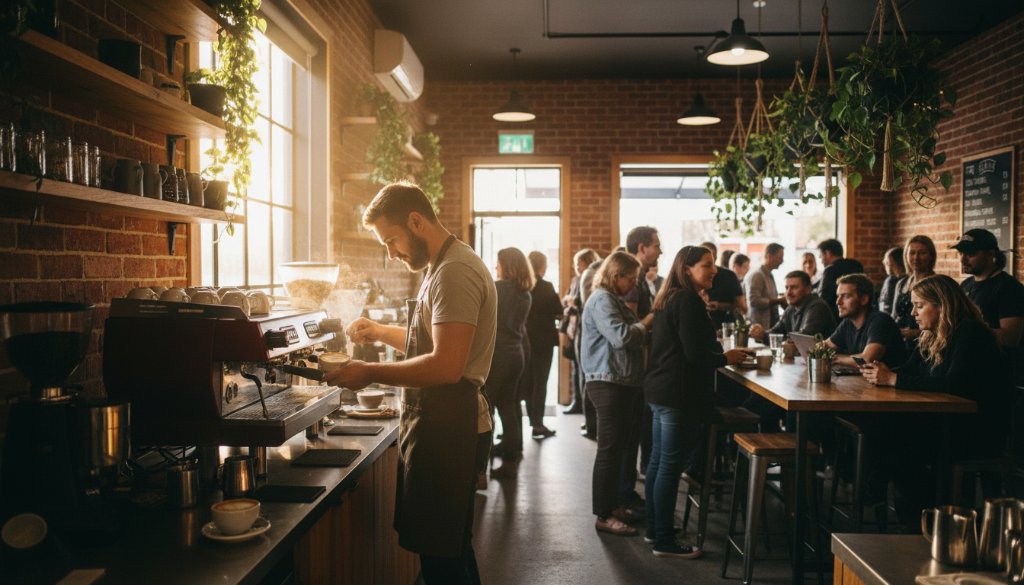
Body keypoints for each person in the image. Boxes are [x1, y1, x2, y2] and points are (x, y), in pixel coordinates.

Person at [328, 182, 495, 585]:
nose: (391, 253)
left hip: (450, 428)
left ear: (416, 222)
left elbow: (446, 365)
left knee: (443, 563)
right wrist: (380, 331)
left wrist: (369, 372)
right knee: (450, 553)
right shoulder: (441, 266)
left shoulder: (454, 271)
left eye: (391, 241)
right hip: (441, 424)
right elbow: (435, 341)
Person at [861, 274, 1013, 519]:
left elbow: (954, 384)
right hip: (944, 421)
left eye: (919, 306)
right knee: (879, 425)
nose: (913, 313)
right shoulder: (931, 335)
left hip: (976, 430)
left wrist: (893, 379)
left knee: (893, 437)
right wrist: (878, 373)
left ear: (942, 305)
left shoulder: (970, 332)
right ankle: (914, 508)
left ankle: (921, 511)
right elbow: (908, 371)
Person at [644, 246, 748, 558]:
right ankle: (664, 541)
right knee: (669, 466)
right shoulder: (687, 300)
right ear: (687, 269)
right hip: (678, 392)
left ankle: (655, 530)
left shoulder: (670, 297)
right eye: (706, 264)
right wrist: (726, 357)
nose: (714, 270)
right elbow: (696, 354)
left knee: (659, 463)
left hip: (661, 388)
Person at [581, 251, 653, 536]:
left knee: (621, 448)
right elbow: (621, 337)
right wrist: (647, 322)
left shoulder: (613, 300)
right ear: (615, 276)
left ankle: (613, 505)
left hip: (620, 381)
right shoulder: (602, 300)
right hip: (607, 382)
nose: (634, 285)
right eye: (631, 279)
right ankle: (603, 514)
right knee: (609, 450)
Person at [622, 226, 662, 506]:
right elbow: (632, 328)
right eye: (656, 246)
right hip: (634, 368)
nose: (660, 251)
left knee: (633, 433)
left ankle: (627, 490)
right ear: (641, 248)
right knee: (628, 436)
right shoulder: (633, 281)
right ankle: (624, 494)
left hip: (639, 368)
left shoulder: (639, 278)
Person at [487, 247, 533, 478]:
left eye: (498, 263)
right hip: (517, 354)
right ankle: (510, 460)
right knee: (508, 407)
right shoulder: (525, 294)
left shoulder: (498, 289)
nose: (495, 267)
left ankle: (481, 465)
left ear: (506, 265)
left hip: (498, 355)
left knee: (487, 409)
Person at [952, 229, 1024, 350]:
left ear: (990, 254)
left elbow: (1011, 337)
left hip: (996, 360)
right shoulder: (965, 285)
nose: (962, 260)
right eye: (961, 253)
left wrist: (964, 333)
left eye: (970, 254)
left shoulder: (1009, 287)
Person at [823, 273, 906, 368]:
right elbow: (825, 346)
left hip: (895, 377)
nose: (838, 302)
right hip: (862, 377)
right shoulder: (848, 322)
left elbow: (867, 359)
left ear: (864, 299)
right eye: (838, 296)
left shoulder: (881, 321)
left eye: (846, 296)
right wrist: (814, 347)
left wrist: (835, 358)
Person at [525, 251, 563, 440]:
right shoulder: (546, 287)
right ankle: (537, 424)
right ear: (541, 266)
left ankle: (519, 426)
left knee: (525, 383)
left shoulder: (521, 285)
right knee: (540, 383)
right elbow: (559, 312)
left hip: (524, 341)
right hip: (543, 341)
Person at [562, 248, 600, 415]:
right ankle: (578, 403)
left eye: (580, 263)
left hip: (586, 329)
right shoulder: (575, 280)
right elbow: (565, 299)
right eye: (576, 263)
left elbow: (580, 302)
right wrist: (569, 300)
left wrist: (571, 301)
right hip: (574, 329)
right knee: (576, 369)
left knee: (584, 370)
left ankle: (587, 411)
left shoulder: (592, 280)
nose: (576, 267)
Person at [749, 270, 836, 341]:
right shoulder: (791, 308)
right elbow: (776, 331)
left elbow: (801, 340)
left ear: (808, 289)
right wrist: (761, 333)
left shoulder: (817, 307)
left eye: (794, 287)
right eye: (787, 288)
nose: (788, 293)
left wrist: (765, 337)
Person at [891, 235, 936, 344]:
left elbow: (942, 323)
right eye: (912, 253)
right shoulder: (901, 283)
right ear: (906, 255)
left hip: (926, 343)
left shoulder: (936, 284)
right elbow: (894, 315)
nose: (916, 257)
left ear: (931, 256)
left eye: (922, 253)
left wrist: (917, 333)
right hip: (900, 342)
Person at [701, 241, 746, 329]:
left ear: (715, 257)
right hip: (701, 327)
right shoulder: (691, 278)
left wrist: (720, 305)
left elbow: (742, 308)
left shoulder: (729, 276)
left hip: (726, 327)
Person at [816, 239, 865, 319]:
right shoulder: (857, 265)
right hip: (859, 314)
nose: (821, 261)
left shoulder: (830, 270)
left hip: (836, 317)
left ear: (828, 253)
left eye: (821, 256)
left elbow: (824, 299)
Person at [745, 243, 786, 329]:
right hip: (758, 326)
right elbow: (754, 301)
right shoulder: (757, 275)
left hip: (769, 324)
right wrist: (779, 301)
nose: (782, 261)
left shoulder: (769, 275)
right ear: (769, 256)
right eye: (780, 258)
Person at [878, 246, 906, 315]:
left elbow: (888, 306)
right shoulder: (889, 280)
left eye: (887, 262)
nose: (884, 262)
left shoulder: (892, 281)